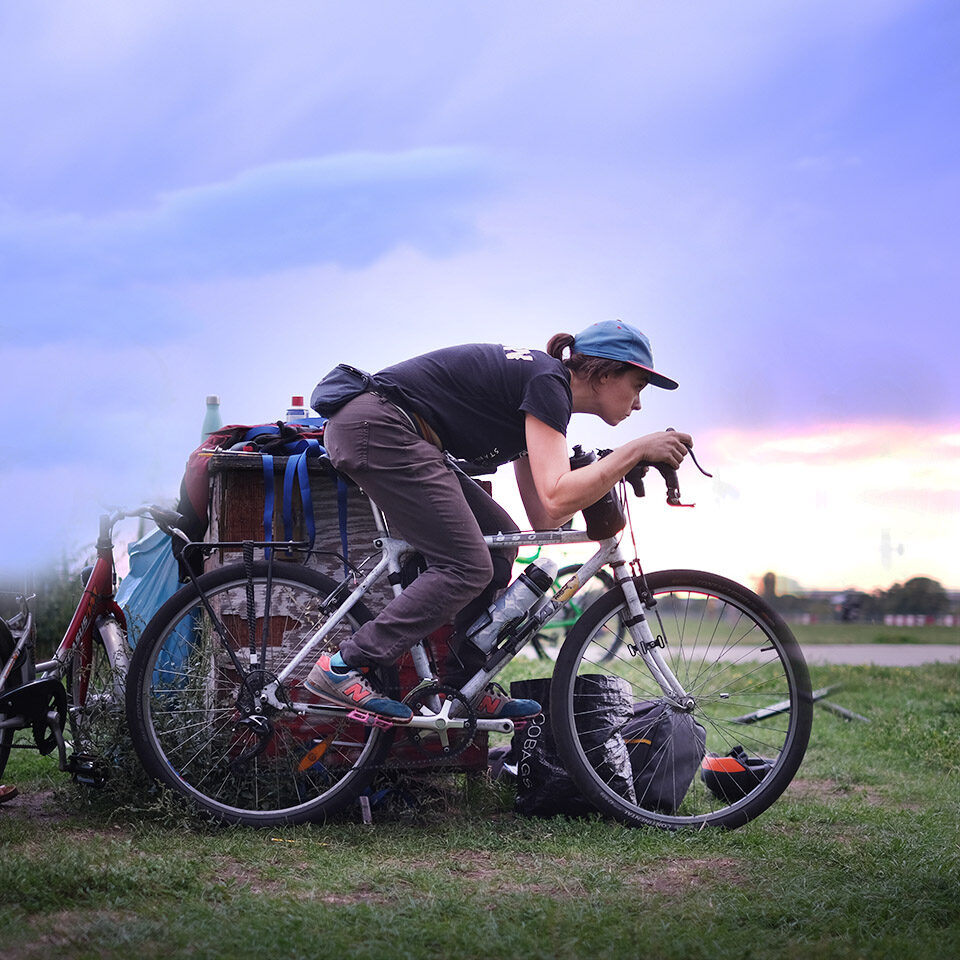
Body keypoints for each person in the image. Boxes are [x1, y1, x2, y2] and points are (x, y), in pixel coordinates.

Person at [303, 319, 691, 723]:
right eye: (638, 386)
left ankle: (463, 687)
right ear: (604, 373)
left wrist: (605, 472)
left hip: (394, 431)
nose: (639, 404)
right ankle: (344, 665)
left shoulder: (543, 394)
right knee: (466, 566)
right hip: (381, 426)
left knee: (501, 540)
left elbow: (546, 517)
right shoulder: (547, 383)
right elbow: (557, 496)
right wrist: (633, 451)